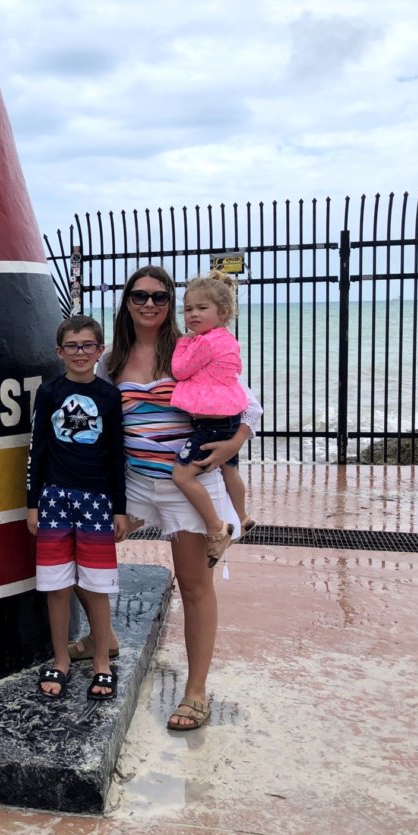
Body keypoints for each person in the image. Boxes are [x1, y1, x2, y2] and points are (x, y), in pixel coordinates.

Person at [102, 266, 261, 731]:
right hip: (135, 483)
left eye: (160, 297)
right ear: (127, 301)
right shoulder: (112, 360)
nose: (149, 304)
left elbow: (246, 403)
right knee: (85, 543)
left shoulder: (190, 349)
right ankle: (104, 638)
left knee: (194, 587)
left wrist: (234, 444)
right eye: (139, 296)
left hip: (186, 485)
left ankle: (195, 691)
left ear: (170, 304)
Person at [26, 315, 128, 701]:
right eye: (72, 346)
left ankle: (102, 662)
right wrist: (32, 503)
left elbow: (117, 456)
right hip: (54, 498)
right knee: (57, 586)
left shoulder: (109, 396)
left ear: (100, 350)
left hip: (98, 501)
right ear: (60, 352)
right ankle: (61, 659)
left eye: (88, 346)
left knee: (96, 586)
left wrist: (119, 508)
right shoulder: (49, 393)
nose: (80, 353)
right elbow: (36, 450)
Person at [169, 271, 250, 563]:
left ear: (223, 312)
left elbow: (179, 370)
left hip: (211, 423)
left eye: (201, 308)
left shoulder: (203, 343)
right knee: (230, 470)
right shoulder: (227, 340)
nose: (192, 315)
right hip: (229, 419)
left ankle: (217, 526)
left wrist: (182, 343)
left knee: (182, 475)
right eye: (188, 309)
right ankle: (242, 516)